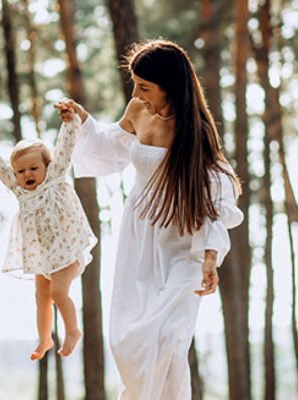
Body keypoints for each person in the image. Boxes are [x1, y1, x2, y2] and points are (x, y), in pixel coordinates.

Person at [58, 39, 244, 399]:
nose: (137, 93)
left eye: (145, 87)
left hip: (185, 243)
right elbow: (112, 146)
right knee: (131, 339)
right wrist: (82, 120)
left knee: (171, 339)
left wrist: (209, 256)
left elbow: (217, 198)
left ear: (170, 87)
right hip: (140, 235)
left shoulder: (196, 133)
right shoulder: (137, 109)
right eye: (134, 84)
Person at [0, 114, 97, 361]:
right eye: (21, 171)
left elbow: (64, 148)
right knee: (41, 296)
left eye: (33, 168)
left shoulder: (54, 178)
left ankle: (73, 330)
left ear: (47, 167)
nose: (27, 174)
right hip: (44, 258)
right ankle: (44, 339)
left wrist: (69, 122)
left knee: (59, 292)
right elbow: (0, 168)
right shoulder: (20, 191)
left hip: (66, 252)